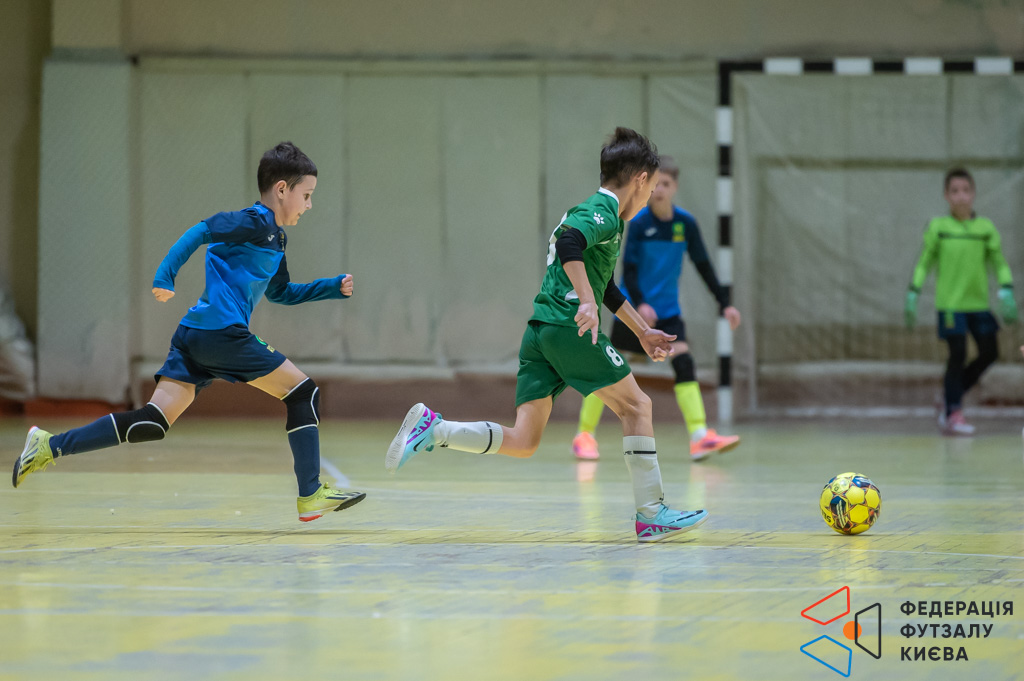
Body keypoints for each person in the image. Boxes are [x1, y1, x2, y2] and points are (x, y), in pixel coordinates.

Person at [12, 142, 365, 522]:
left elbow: (280, 293)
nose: (309, 205)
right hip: (221, 334)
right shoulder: (254, 221)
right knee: (303, 392)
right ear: (282, 189)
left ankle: (48, 445)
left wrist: (330, 287)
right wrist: (165, 275)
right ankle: (310, 494)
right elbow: (200, 231)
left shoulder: (276, 237)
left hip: (195, 335)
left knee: (151, 422)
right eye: (306, 195)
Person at [385, 127, 708, 543]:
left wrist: (643, 331)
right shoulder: (603, 210)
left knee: (524, 440)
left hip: (541, 330)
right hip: (569, 325)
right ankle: (651, 514)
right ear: (641, 180)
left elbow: (606, 286)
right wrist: (586, 301)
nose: (648, 199)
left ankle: (436, 429)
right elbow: (569, 242)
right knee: (638, 406)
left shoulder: (603, 217)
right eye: (649, 189)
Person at [571, 155, 742, 462]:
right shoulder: (638, 223)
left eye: (666, 184)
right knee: (608, 368)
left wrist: (725, 304)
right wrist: (641, 303)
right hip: (633, 310)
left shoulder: (685, 224)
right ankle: (584, 435)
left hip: (668, 311)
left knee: (684, 362)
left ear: (675, 186)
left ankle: (699, 436)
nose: (659, 190)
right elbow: (628, 269)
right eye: (656, 184)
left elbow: (704, 265)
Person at [905, 167, 1017, 436]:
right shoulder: (939, 228)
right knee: (958, 354)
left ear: (973, 194)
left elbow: (999, 263)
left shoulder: (985, 228)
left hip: (978, 305)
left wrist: (1007, 289)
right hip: (951, 306)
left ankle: (948, 396)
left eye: (966, 190)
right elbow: (924, 262)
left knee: (990, 353)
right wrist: (913, 291)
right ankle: (953, 413)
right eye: (955, 191)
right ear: (946, 196)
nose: (961, 196)